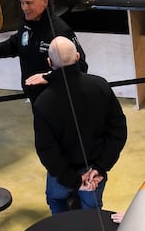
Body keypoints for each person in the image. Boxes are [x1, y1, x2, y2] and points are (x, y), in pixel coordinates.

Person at [32, 37, 126, 214]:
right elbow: (118, 130)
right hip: (94, 173)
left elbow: (46, 150)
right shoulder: (100, 86)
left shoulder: (43, 103)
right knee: (92, 214)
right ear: (77, 57)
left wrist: (73, 181)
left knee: (56, 201)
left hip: (62, 174)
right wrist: (100, 167)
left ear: (50, 62)